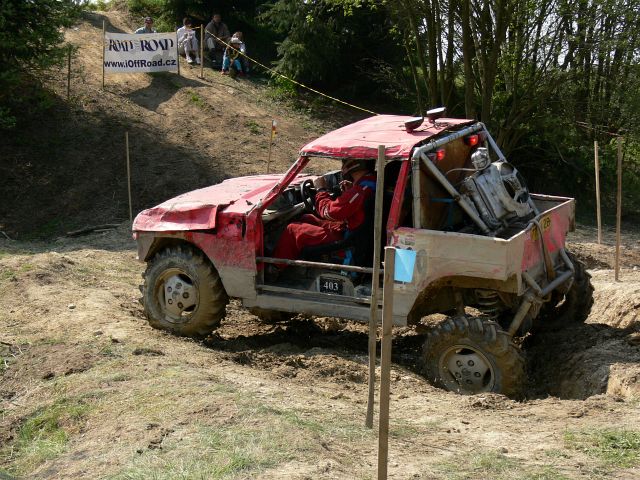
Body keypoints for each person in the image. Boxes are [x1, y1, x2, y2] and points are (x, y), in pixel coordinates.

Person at [271, 159, 377, 267]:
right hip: (355, 232)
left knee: (292, 229)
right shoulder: (371, 182)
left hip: (348, 242)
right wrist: (349, 191)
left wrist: (321, 190)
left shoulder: (361, 190)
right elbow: (352, 206)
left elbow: (329, 212)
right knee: (307, 218)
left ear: (353, 165)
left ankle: (274, 268)